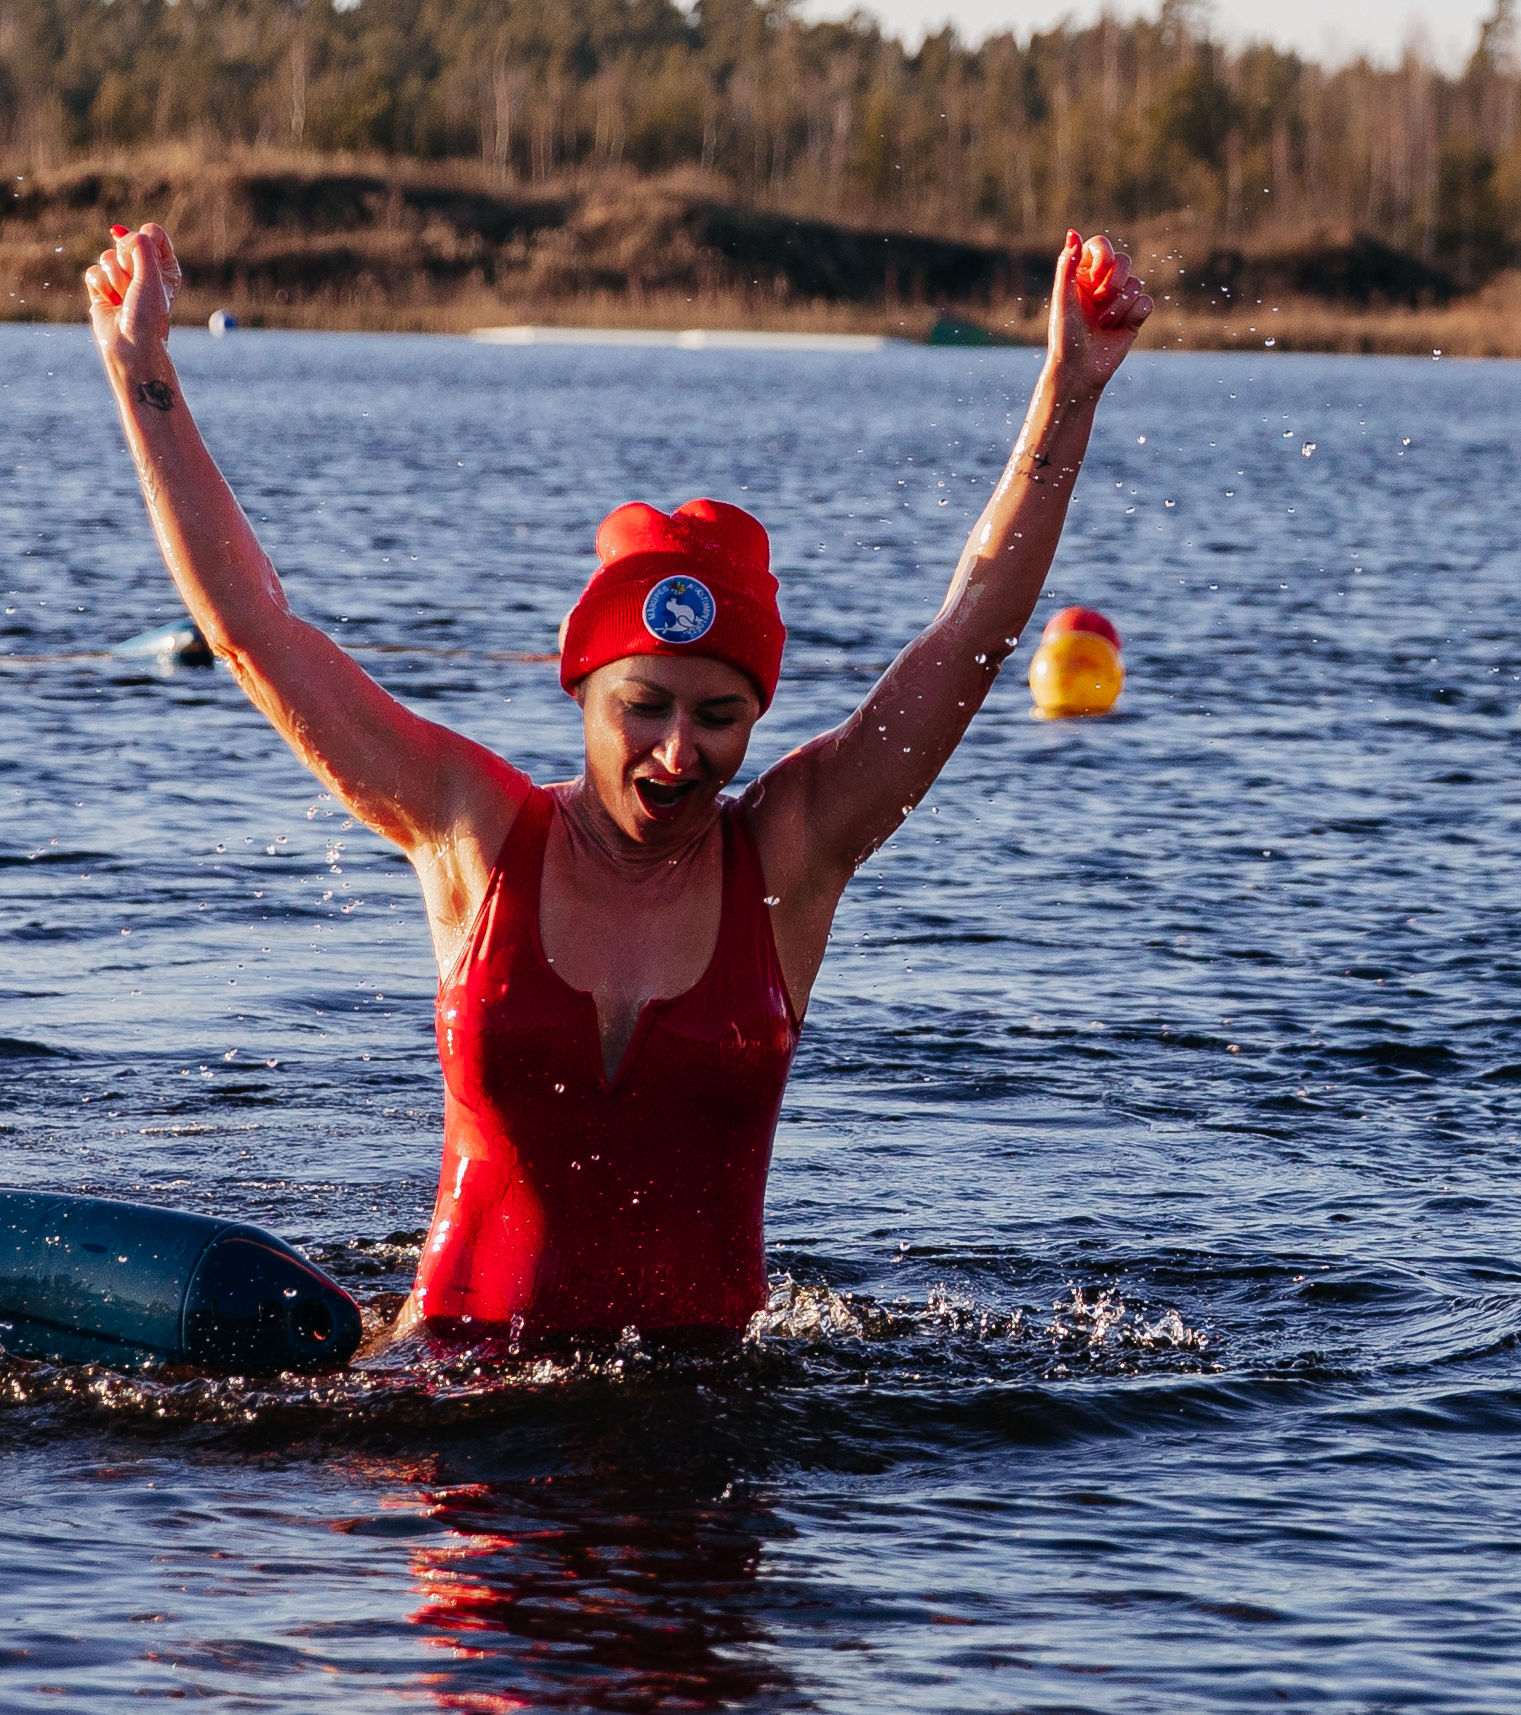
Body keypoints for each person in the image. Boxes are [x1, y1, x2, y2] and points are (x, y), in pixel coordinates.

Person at [85, 213, 1152, 1350]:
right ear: (583, 693)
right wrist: (142, 369)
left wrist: (1069, 390)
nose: (678, 753)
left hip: (704, 1426)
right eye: (642, 707)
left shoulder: (791, 855)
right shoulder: (475, 834)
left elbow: (972, 626)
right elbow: (254, 626)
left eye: (718, 714)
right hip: (449, 1404)